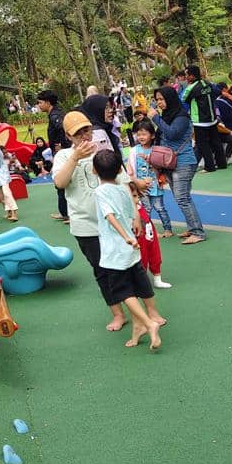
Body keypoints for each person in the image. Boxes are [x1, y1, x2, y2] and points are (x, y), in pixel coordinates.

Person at [52, 111, 128, 332]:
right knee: (102, 270)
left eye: (87, 130)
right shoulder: (64, 157)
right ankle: (117, 313)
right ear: (68, 135)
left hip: (113, 222)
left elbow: (122, 181)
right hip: (86, 226)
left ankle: (145, 310)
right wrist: (75, 158)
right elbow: (60, 182)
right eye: (78, 133)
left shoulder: (103, 152)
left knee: (128, 266)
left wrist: (134, 200)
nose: (85, 136)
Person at [92, 150, 162, 351]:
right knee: (138, 282)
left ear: (94, 170)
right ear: (119, 170)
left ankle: (149, 324)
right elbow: (133, 211)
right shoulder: (124, 188)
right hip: (131, 249)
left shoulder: (100, 192)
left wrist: (126, 237)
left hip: (116, 250)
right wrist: (133, 230)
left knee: (123, 291)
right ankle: (138, 327)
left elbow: (109, 216)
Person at [148, 86, 206, 245]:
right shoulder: (167, 115)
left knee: (182, 198)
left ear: (170, 98)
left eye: (161, 99)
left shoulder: (181, 117)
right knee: (181, 197)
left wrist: (155, 118)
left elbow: (172, 133)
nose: (159, 103)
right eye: (157, 99)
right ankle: (192, 227)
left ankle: (198, 232)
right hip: (171, 163)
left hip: (183, 162)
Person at [125, 118, 174, 238]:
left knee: (160, 208)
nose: (141, 137)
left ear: (152, 136)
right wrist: (134, 183)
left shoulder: (156, 150)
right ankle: (146, 229)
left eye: (144, 134)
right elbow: (130, 168)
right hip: (141, 186)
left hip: (155, 185)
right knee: (145, 209)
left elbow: (161, 166)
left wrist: (150, 161)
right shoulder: (134, 150)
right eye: (138, 134)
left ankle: (168, 229)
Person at [183, 65, 227, 172]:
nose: (186, 77)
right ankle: (222, 164)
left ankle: (209, 167)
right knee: (216, 142)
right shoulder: (208, 83)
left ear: (192, 76)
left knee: (203, 144)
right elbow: (217, 92)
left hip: (200, 122)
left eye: (187, 75)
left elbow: (183, 99)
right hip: (213, 119)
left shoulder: (190, 88)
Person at [39, 90, 70, 222]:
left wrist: (62, 145)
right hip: (59, 152)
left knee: (62, 182)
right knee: (60, 184)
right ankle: (63, 212)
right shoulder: (54, 114)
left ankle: (68, 213)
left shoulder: (56, 116)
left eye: (40, 102)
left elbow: (63, 128)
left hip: (62, 152)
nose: (38, 105)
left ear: (48, 102)